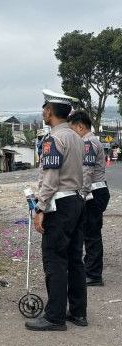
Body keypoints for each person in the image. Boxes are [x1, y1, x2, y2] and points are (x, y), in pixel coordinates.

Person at [25, 89, 86, 331]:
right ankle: (78, 312)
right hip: (76, 201)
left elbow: (50, 179)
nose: (42, 111)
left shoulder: (53, 140)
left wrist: (40, 208)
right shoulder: (76, 138)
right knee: (74, 259)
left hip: (58, 205)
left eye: (44, 108)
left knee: (55, 260)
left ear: (49, 111)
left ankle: (55, 317)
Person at [69, 110, 110, 286]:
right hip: (93, 192)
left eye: (72, 129)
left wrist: (81, 194)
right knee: (88, 233)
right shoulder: (88, 142)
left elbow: (87, 171)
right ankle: (90, 270)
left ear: (80, 126)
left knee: (92, 234)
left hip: (93, 193)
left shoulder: (88, 143)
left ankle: (94, 275)